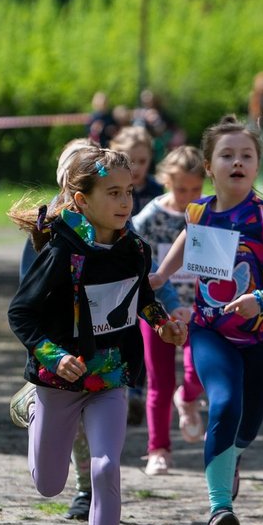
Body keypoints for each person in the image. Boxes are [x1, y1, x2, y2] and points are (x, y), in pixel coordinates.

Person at [7, 146, 188, 525]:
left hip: (110, 378)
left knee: (106, 467)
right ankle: (32, 406)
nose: (125, 202)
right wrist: (53, 354)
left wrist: (161, 322)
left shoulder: (134, 247)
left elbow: (139, 295)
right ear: (81, 199)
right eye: (113, 193)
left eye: (128, 191)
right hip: (59, 380)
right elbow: (21, 313)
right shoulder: (62, 250)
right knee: (48, 484)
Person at [150, 115, 263, 525]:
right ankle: (220, 509)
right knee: (224, 403)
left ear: (257, 165)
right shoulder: (199, 209)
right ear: (209, 166)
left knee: (248, 427)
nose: (237, 162)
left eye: (246, 155)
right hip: (210, 330)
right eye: (227, 155)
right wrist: (161, 275)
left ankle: (232, 456)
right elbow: (189, 235)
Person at [17, 137, 95, 522]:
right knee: (71, 430)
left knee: (94, 419)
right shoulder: (46, 230)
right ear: (66, 181)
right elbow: (26, 306)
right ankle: (83, 487)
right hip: (57, 351)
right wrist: (47, 354)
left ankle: (89, 487)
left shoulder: (114, 223)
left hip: (99, 348)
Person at [131, 146, 208, 475]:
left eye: (195, 189)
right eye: (181, 189)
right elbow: (138, 262)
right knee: (160, 381)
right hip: (158, 312)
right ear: (165, 182)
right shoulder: (149, 217)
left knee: (200, 372)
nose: (188, 196)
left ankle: (188, 398)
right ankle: (158, 449)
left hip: (202, 311)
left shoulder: (209, 214)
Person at [109, 126, 166, 425]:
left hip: (154, 270)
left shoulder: (157, 192)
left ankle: (136, 390)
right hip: (118, 271)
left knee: (147, 328)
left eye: (143, 161)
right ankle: (122, 385)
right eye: (132, 161)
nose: (138, 168)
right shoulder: (107, 188)